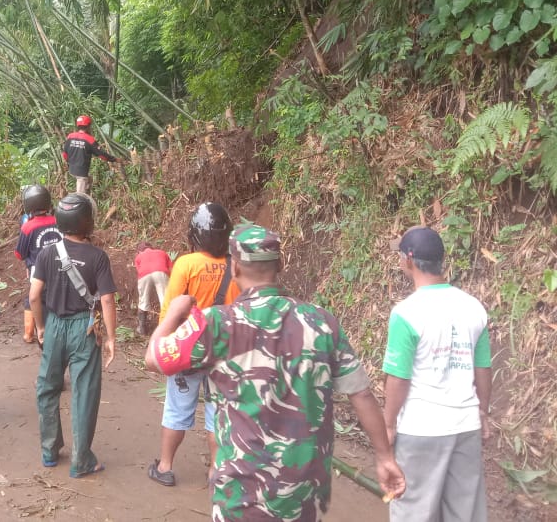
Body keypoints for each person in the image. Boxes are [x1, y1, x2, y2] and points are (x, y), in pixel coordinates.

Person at [146, 223, 406, 520]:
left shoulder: (216, 322)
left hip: (240, 495)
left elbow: (154, 358)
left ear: (235, 269)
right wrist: (384, 457)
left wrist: (176, 314)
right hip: (304, 495)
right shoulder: (322, 322)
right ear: (280, 265)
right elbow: (361, 393)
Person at [383, 226, 492, 522]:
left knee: (414, 511)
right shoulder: (474, 308)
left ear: (409, 260)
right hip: (465, 425)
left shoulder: (406, 313)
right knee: (464, 513)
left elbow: (398, 379)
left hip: (421, 429)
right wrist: (482, 412)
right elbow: (482, 368)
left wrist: (389, 425)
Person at [148, 202, 240, 488]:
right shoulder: (236, 265)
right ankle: (215, 470)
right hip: (223, 351)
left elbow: (170, 311)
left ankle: (165, 467)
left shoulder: (186, 264)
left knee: (177, 408)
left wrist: (164, 342)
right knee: (216, 413)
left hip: (188, 351)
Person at [30, 193, 117, 478]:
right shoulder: (98, 257)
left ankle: (49, 450)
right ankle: (82, 461)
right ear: (87, 222)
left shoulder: (46, 253)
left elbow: (34, 296)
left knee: (47, 386)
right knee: (84, 393)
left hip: (54, 324)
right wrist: (112, 338)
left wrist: (41, 327)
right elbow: (106, 301)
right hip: (84, 328)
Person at [15, 185, 62, 343]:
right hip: (62, 270)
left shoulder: (28, 227)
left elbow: (19, 254)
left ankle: (32, 334)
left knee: (35, 300)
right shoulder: (58, 221)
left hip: (38, 275)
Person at [61, 114, 118, 195]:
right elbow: (102, 155)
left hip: (72, 169)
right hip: (81, 172)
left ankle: (87, 194)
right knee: (80, 196)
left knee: (89, 180)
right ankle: (81, 203)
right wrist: (114, 159)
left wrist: (69, 163)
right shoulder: (89, 139)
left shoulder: (70, 136)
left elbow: (64, 154)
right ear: (88, 126)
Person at [134, 242, 172, 337]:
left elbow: (139, 271)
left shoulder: (139, 256)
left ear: (139, 251)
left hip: (144, 274)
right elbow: (171, 268)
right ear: (152, 248)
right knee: (165, 301)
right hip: (161, 272)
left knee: (143, 300)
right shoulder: (162, 252)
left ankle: (142, 329)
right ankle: (167, 329)